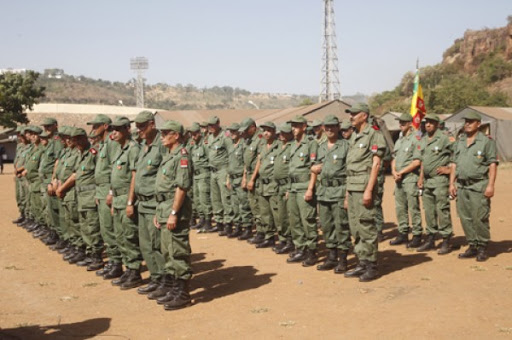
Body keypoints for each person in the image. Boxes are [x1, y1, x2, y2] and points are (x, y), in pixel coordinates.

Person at [153, 120, 193, 310]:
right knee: (167, 250)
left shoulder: (182, 156)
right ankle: (174, 288)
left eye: (166, 133)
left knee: (177, 250)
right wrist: (159, 212)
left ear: (176, 135)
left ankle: (183, 293)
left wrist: (174, 213)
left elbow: (181, 187)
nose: (162, 136)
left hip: (174, 208)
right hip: (164, 206)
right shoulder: (169, 155)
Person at [343, 103, 386, 282]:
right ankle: (361, 261)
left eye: (354, 114)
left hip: (364, 186)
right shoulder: (354, 137)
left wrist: (369, 190)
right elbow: (350, 168)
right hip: (352, 186)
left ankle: (372, 265)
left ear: (364, 116)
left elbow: (376, 164)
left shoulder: (374, 135)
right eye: (350, 114)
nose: (351, 117)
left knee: (366, 225)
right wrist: (346, 195)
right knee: (355, 226)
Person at [450, 111, 498, 261]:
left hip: (479, 186)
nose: (467, 124)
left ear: (478, 124)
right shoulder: (460, 141)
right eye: (466, 121)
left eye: (471, 121)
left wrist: (491, 185)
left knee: (479, 217)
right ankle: (472, 245)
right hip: (462, 186)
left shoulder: (486, 142)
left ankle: (482, 247)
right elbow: (454, 164)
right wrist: (451, 182)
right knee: (465, 217)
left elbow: (492, 164)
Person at [133, 111, 167, 295]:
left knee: (157, 245)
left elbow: (164, 176)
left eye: (142, 127)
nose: (139, 130)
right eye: (137, 127)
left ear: (152, 124)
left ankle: (164, 280)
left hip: (154, 203)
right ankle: (155, 277)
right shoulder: (144, 147)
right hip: (142, 203)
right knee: (146, 245)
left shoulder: (161, 145)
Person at [311, 115, 351, 273]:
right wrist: (315, 167)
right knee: (327, 226)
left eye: (332, 126)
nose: (329, 129)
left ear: (338, 127)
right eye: (326, 126)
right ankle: (331, 256)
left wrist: (347, 196)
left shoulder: (345, 146)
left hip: (339, 191)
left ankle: (343, 259)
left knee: (341, 226)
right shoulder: (320, 147)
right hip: (324, 192)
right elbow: (314, 165)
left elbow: (350, 172)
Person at [108, 116, 143, 290]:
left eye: (117, 130)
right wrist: (114, 199)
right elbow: (116, 178)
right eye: (112, 130)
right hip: (118, 198)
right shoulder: (118, 149)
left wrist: (130, 202)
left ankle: (135, 271)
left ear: (126, 130)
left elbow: (134, 178)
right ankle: (128, 269)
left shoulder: (133, 149)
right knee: (120, 236)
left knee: (130, 236)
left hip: (127, 199)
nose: (113, 133)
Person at [87, 114, 121, 279]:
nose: (93, 129)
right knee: (105, 229)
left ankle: (116, 263)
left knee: (110, 229)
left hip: (107, 191)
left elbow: (115, 169)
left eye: (96, 126)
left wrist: (110, 192)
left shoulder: (112, 144)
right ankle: (112, 262)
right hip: (100, 191)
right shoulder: (103, 145)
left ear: (106, 126)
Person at [415, 113, 454, 255]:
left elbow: (457, 155)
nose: (428, 125)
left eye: (431, 122)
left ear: (437, 124)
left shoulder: (444, 139)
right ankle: (430, 239)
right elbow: (423, 161)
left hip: (440, 180)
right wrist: (420, 178)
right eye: (426, 122)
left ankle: (446, 240)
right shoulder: (424, 139)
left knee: (442, 210)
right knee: (429, 210)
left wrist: (449, 169)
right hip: (427, 181)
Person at [286, 115, 319, 266]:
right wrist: (288, 188)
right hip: (293, 188)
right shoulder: (292, 144)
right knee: (294, 220)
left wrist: (310, 188)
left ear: (304, 127)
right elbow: (290, 168)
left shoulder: (311, 144)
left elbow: (314, 168)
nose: (293, 128)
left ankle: (312, 251)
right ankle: (300, 248)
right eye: (292, 126)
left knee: (308, 220)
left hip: (304, 187)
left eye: (296, 125)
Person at [389, 113, 423, 248]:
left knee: (413, 207)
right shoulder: (399, 140)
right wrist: (393, 171)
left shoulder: (416, 139)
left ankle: (417, 235)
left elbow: (417, 162)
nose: (401, 124)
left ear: (410, 123)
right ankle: (403, 233)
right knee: (400, 208)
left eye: (403, 122)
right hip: (398, 179)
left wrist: (401, 172)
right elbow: (394, 158)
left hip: (410, 178)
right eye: (400, 122)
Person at [252, 121, 280, 248]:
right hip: (262, 185)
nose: (266, 133)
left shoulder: (279, 146)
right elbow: (259, 161)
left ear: (274, 132)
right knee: (265, 213)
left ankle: (284, 239)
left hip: (273, 185)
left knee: (277, 214)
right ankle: (269, 237)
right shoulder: (263, 146)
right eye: (264, 130)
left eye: (269, 130)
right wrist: (253, 178)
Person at [206, 116, 234, 233]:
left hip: (223, 170)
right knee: (215, 198)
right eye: (209, 125)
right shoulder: (210, 137)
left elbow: (231, 154)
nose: (211, 128)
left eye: (213, 125)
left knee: (225, 197)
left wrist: (228, 175)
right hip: (213, 171)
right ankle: (219, 221)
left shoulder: (225, 137)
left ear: (218, 124)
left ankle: (228, 223)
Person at [226, 123, 253, 238]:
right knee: (235, 205)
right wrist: (227, 179)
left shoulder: (243, 145)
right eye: (230, 132)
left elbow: (246, 164)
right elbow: (229, 163)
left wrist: (244, 178)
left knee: (244, 204)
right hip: (232, 178)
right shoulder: (231, 145)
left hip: (240, 178)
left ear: (239, 132)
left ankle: (247, 227)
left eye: (234, 131)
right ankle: (238, 226)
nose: (232, 134)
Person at [240, 118, 264, 244]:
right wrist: (245, 177)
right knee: (253, 205)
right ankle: (259, 231)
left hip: (257, 177)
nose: (243, 133)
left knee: (258, 205)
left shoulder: (259, 139)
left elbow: (259, 160)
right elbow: (246, 161)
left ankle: (262, 232)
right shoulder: (247, 140)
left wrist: (252, 179)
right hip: (249, 175)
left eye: (246, 130)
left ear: (253, 128)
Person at [271, 123, 294, 254]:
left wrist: (289, 188)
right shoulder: (280, 146)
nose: (282, 135)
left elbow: (292, 168)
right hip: (278, 185)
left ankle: (290, 241)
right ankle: (283, 239)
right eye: (281, 133)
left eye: (285, 133)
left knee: (287, 215)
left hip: (287, 185)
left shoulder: (292, 147)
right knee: (280, 214)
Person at [188, 123, 213, 232]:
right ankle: (202, 219)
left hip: (204, 174)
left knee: (204, 198)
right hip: (196, 175)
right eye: (191, 134)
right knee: (197, 199)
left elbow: (210, 159)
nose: (193, 136)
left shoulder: (205, 144)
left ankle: (208, 221)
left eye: (195, 134)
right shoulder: (193, 145)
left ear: (199, 133)